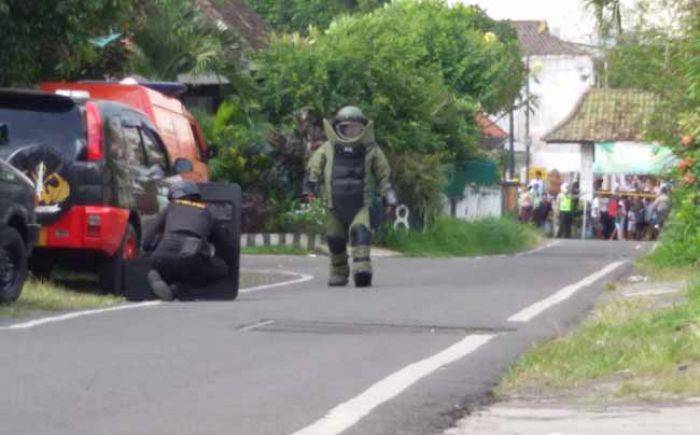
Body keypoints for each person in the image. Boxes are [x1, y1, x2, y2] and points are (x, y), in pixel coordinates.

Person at [305, 106, 396, 288]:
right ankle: (338, 271)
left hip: (360, 205)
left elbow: (384, 174)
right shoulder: (328, 148)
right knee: (334, 238)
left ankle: (363, 270)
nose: (352, 131)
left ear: (363, 129)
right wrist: (309, 190)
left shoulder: (371, 149)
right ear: (338, 128)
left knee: (361, 232)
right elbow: (313, 169)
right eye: (347, 128)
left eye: (356, 128)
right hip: (333, 205)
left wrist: (390, 199)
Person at [142, 181, 228, 301]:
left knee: (165, 265)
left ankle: (159, 276)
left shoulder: (170, 209)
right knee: (221, 269)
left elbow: (146, 240)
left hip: (161, 258)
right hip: (190, 260)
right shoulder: (208, 213)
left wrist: (151, 249)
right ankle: (179, 288)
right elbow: (224, 244)